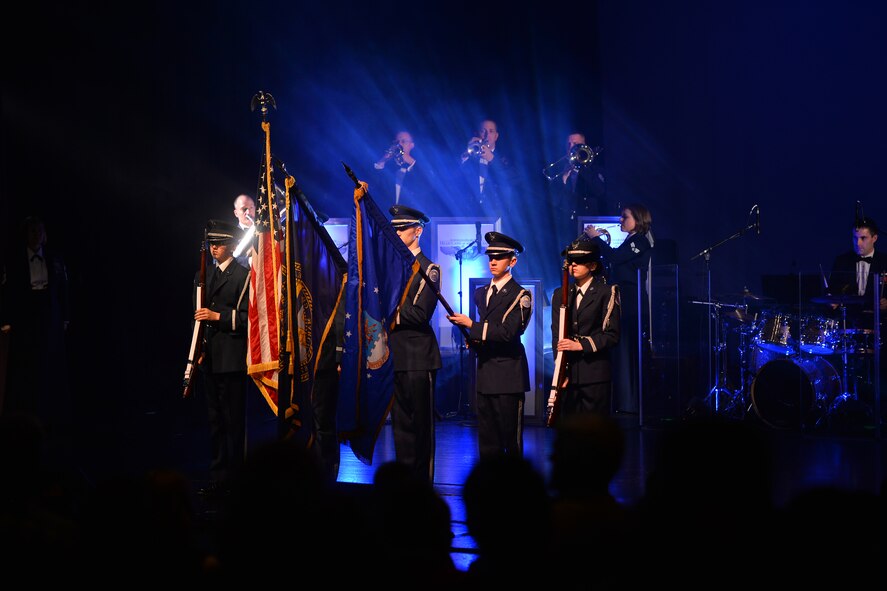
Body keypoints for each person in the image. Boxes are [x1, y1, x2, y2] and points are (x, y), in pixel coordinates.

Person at [448, 232, 532, 460]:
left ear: (512, 261)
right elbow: (486, 332)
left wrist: (472, 325)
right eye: (490, 257)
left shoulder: (521, 295)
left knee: (510, 441)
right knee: (487, 440)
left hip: (508, 375)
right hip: (486, 373)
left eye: (500, 257)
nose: (493, 262)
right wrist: (472, 337)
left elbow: (507, 333)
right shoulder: (480, 293)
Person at [193, 219, 250, 497]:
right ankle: (218, 475)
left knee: (233, 421)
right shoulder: (204, 275)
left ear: (230, 245)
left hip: (232, 356)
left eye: (219, 244)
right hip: (211, 358)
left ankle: (237, 477)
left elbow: (250, 319)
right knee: (215, 420)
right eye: (211, 244)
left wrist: (218, 317)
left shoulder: (243, 275)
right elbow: (196, 319)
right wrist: (199, 351)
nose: (214, 248)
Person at [0, 216, 70, 434]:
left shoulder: (54, 259)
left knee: (48, 365)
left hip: (48, 317)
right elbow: (7, 292)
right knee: (26, 366)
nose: (36, 235)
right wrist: (7, 319)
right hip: (26, 318)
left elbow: (63, 289)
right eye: (32, 231)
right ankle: (24, 417)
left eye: (40, 231)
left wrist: (65, 317)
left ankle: (48, 416)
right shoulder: (14, 261)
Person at [388, 204, 442, 483]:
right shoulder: (389, 267)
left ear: (417, 231)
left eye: (402, 228)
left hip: (419, 356)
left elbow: (420, 313)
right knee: (401, 426)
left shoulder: (428, 269)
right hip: (395, 355)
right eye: (394, 228)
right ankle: (404, 484)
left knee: (421, 426)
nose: (396, 233)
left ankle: (422, 485)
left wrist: (388, 310)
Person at [585, 203, 654, 415]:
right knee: (620, 349)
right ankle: (624, 401)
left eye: (625, 217)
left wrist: (596, 238)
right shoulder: (631, 241)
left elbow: (615, 257)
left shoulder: (640, 241)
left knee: (627, 349)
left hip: (632, 302)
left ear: (638, 220)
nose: (621, 221)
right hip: (622, 298)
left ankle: (631, 403)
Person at [549, 238, 621, 419]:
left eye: (580, 261)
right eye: (571, 261)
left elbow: (612, 335)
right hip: (568, 374)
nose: (574, 265)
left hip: (595, 373)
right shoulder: (560, 294)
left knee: (594, 432)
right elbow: (557, 335)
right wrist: (560, 372)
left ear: (593, 265)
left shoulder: (607, 292)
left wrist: (580, 345)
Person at [459, 119, 515, 219]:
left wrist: (492, 159)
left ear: (496, 136)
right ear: (477, 134)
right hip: (471, 214)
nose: (486, 135)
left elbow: (511, 179)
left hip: (498, 215)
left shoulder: (506, 158)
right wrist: (466, 154)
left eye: (491, 131)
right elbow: (454, 177)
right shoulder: (471, 158)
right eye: (483, 131)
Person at [547, 132, 607, 220]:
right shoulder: (559, 167)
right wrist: (563, 177)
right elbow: (553, 199)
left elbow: (600, 191)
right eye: (568, 144)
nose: (571, 147)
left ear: (583, 146)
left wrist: (582, 167)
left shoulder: (593, 168)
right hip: (563, 219)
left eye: (575, 144)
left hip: (586, 219)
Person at [373, 130, 435, 209]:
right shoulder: (389, 168)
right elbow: (374, 175)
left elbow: (428, 185)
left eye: (403, 141)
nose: (399, 144)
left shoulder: (419, 168)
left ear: (411, 145)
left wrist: (410, 161)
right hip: (388, 216)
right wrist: (386, 157)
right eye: (397, 142)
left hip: (411, 216)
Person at [232, 194, 256, 268]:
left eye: (251, 208)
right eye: (244, 209)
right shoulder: (231, 236)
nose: (248, 212)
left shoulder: (264, 231)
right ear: (236, 213)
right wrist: (250, 259)